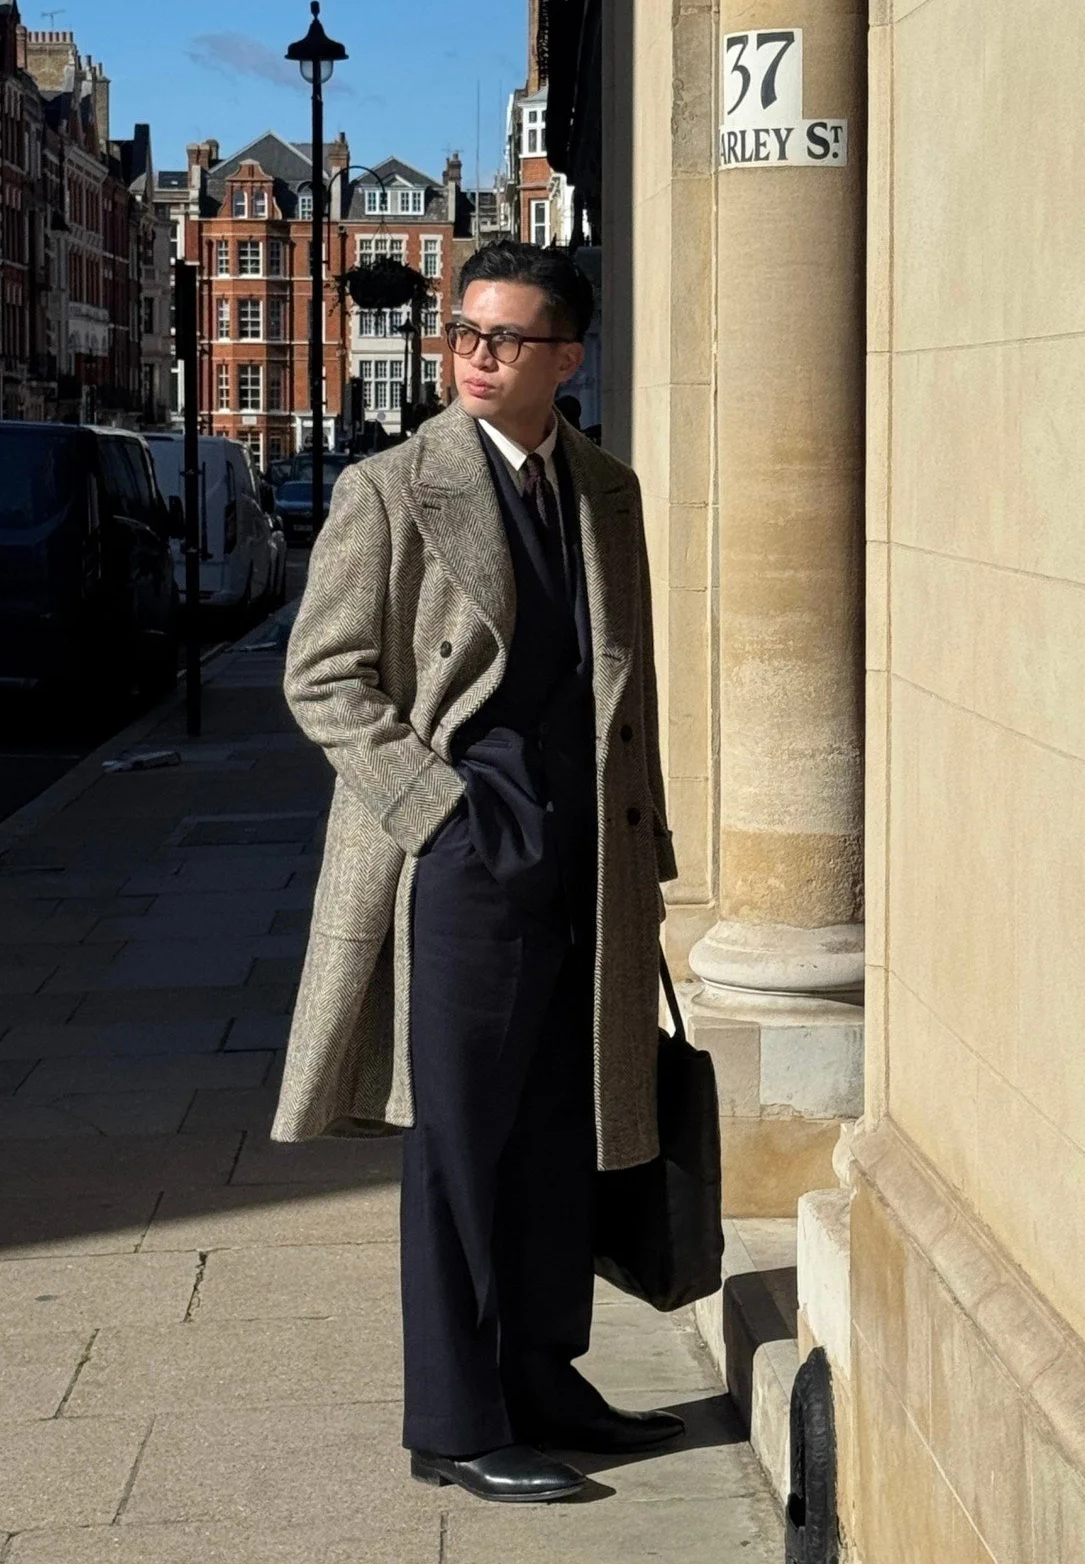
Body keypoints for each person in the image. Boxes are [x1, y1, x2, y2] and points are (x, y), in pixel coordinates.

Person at [273, 240, 681, 1504]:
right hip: (462, 863)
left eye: (507, 338)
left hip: (586, 859)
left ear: (569, 358)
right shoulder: (392, 488)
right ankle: (453, 1426)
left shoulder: (605, 489)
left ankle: (544, 1380)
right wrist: (438, 814)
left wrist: (647, 848)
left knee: (563, 1128)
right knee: (459, 1144)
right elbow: (323, 678)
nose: (478, 356)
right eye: (465, 333)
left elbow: (625, 691)